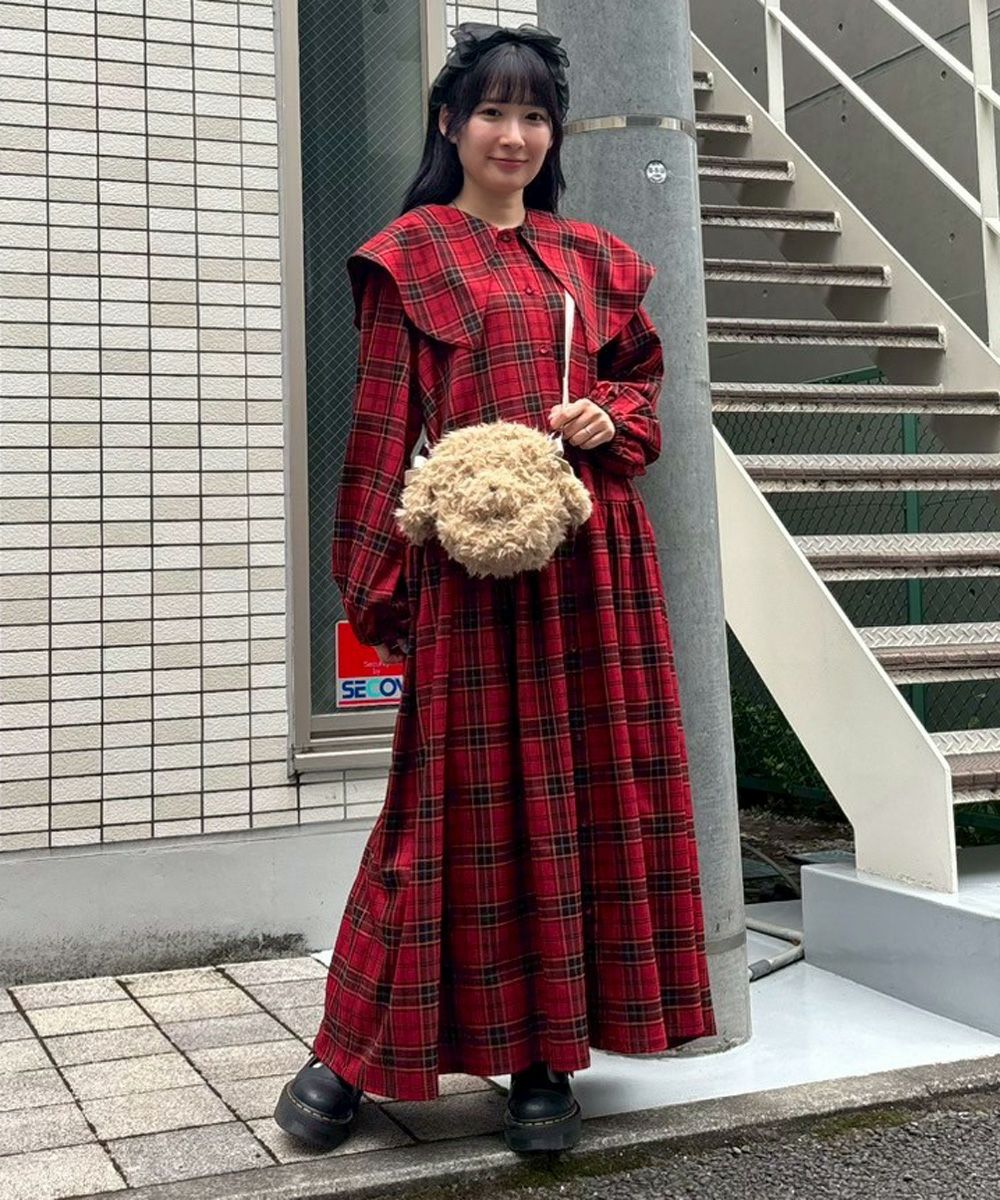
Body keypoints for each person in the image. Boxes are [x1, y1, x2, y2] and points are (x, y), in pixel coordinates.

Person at [274, 21, 716, 1157]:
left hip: (595, 567)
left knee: (578, 803)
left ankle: (542, 1062)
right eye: (491, 112)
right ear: (449, 123)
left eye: (533, 116)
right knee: (444, 811)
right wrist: (377, 587)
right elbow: (381, 433)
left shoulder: (592, 257)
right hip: (470, 574)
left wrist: (606, 414)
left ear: (551, 134)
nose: (512, 135)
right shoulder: (410, 255)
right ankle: (349, 1049)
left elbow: (644, 384)